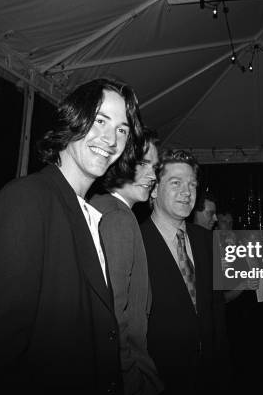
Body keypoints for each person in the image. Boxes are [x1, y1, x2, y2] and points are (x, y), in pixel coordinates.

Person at [0, 78, 144, 395]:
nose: (111, 139)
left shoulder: (86, 213)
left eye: (122, 129)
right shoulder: (27, 199)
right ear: (75, 119)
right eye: (100, 121)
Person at [140, 150, 229, 395]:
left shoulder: (206, 241)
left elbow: (216, 308)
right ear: (155, 189)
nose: (187, 192)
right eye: (176, 183)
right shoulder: (136, 242)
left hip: (207, 376)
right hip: (158, 379)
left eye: (192, 184)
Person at [89, 129, 162, 395]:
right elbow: (112, 319)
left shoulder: (101, 206)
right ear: (120, 160)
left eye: (154, 167)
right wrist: (133, 379)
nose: (153, 177)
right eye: (142, 164)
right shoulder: (117, 217)